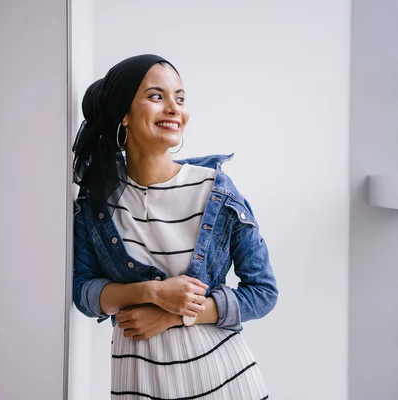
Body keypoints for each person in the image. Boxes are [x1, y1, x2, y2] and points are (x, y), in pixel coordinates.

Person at [72, 54, 278, 400]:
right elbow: (83, 291)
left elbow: (263, 292)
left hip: (223, 380)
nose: (173, 108)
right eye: (156, 96)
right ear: (123, 112)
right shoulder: (97, 204)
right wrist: (150, 293)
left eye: (179, 98)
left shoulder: (217, 191)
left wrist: (176, 316)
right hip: (138, 383)